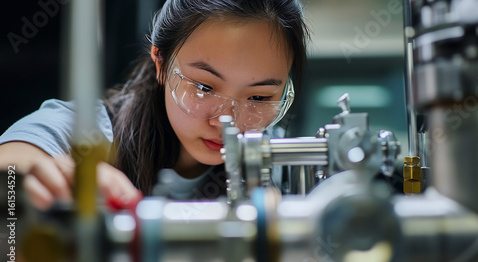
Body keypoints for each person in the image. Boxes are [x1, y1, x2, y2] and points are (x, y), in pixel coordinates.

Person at [0, 0, 309, 209]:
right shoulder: (88, 131)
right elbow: (11, 167)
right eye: (204, 86)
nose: (227, 121)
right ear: (160, 63)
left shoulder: (280, 159)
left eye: (259, 97)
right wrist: (52, 179)